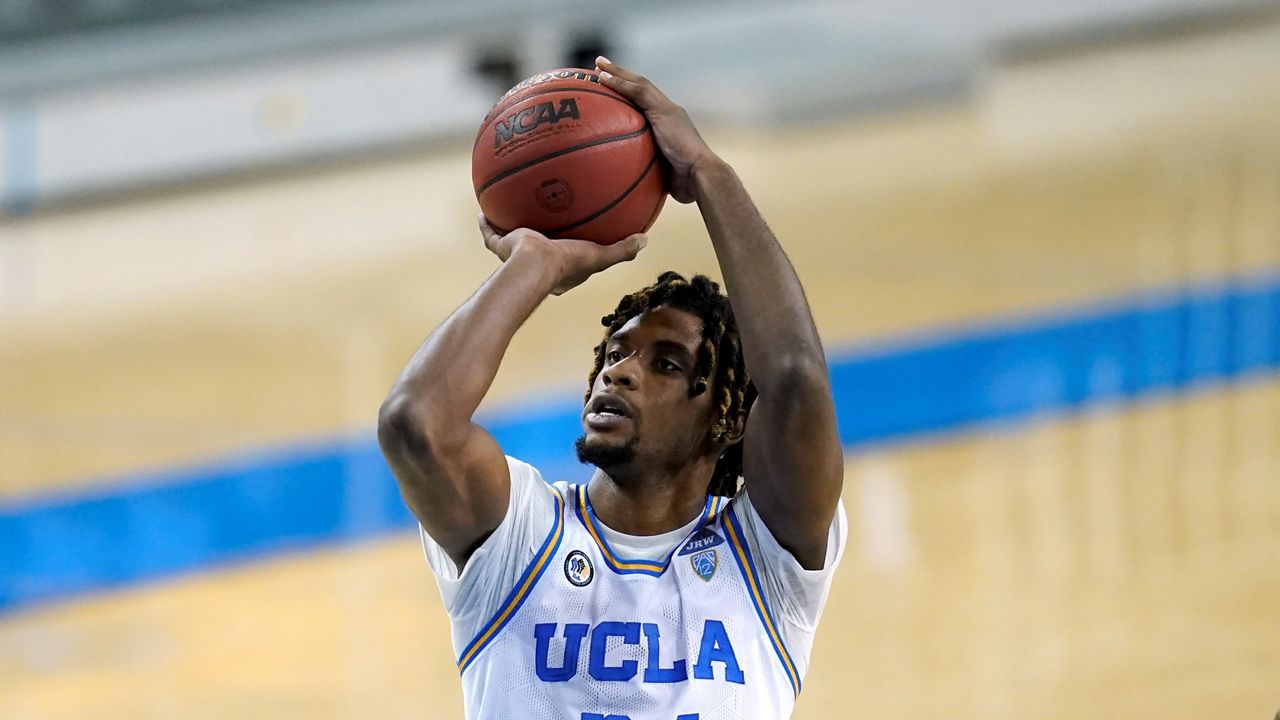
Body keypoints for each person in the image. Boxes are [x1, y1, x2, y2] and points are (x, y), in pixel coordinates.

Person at [377, 57, 846, 720]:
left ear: (726, 419)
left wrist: (709, 173)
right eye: (615, 353)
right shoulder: (521, 537)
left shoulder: (765, 561)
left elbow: (796, 381)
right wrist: (534, 266)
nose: (620, 372)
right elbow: (413, 425)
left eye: (668, 365)